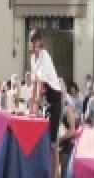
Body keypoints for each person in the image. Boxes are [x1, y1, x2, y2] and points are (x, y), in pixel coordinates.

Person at [29, 29, 63, 177]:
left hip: (54, 100)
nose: (34, 43)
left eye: (36, 40)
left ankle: (55, 174)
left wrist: (35, 105)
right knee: (43, 139)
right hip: (46, 100)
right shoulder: (33, 59)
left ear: (40, 42)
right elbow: (34, 84)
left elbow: (41, 84)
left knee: (53, 142)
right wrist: (31, 107)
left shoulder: (45, 56)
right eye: (32, 40)